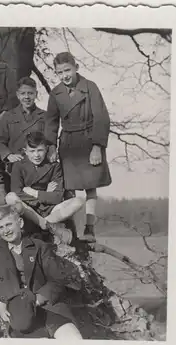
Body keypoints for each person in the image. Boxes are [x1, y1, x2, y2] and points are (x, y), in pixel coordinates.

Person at [0, 204, 83, 339]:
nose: (5, 231)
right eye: (1, 227)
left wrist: (39, 298)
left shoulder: (39, 246)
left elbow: (58, 279)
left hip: (48, 306)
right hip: (18, 313)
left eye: (9, 224)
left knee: (73, 339)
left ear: (20, 223)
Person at [44, 52, 112, 242]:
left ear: (76, 68)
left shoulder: (90, 87)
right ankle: (69, 231)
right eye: (59, 72)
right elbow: (51, 122)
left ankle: (89, 228)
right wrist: (50, 146)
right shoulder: (56, 93)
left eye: (67, 70)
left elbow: (102, 117)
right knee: (68, 188)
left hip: (89, 142)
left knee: (90, 187)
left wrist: (98, 146)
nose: (64, 75)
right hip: (68, 144)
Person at [5, 132, 84, 244]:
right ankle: (45, 224)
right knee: (10, 197)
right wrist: (45, 194)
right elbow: (17, 192)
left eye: (40, 150)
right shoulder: (18, 166)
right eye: (32, 151)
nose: (36, 155)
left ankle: (45, 223)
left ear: (47, 149)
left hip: (50, 209)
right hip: (28, 209)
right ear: (25, 151)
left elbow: (57, 197)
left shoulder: (54, 166)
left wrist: (35, 192)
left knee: (79, 201)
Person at [0, 77, 46, 166]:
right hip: (15, 164)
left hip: (38, 164)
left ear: (36, 94)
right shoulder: (8, 116)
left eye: (30, 93)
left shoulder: (44, 116)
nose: (26, 97)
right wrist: (9, 155)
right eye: (23, 93)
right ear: (18, 95)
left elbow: (48, 141)